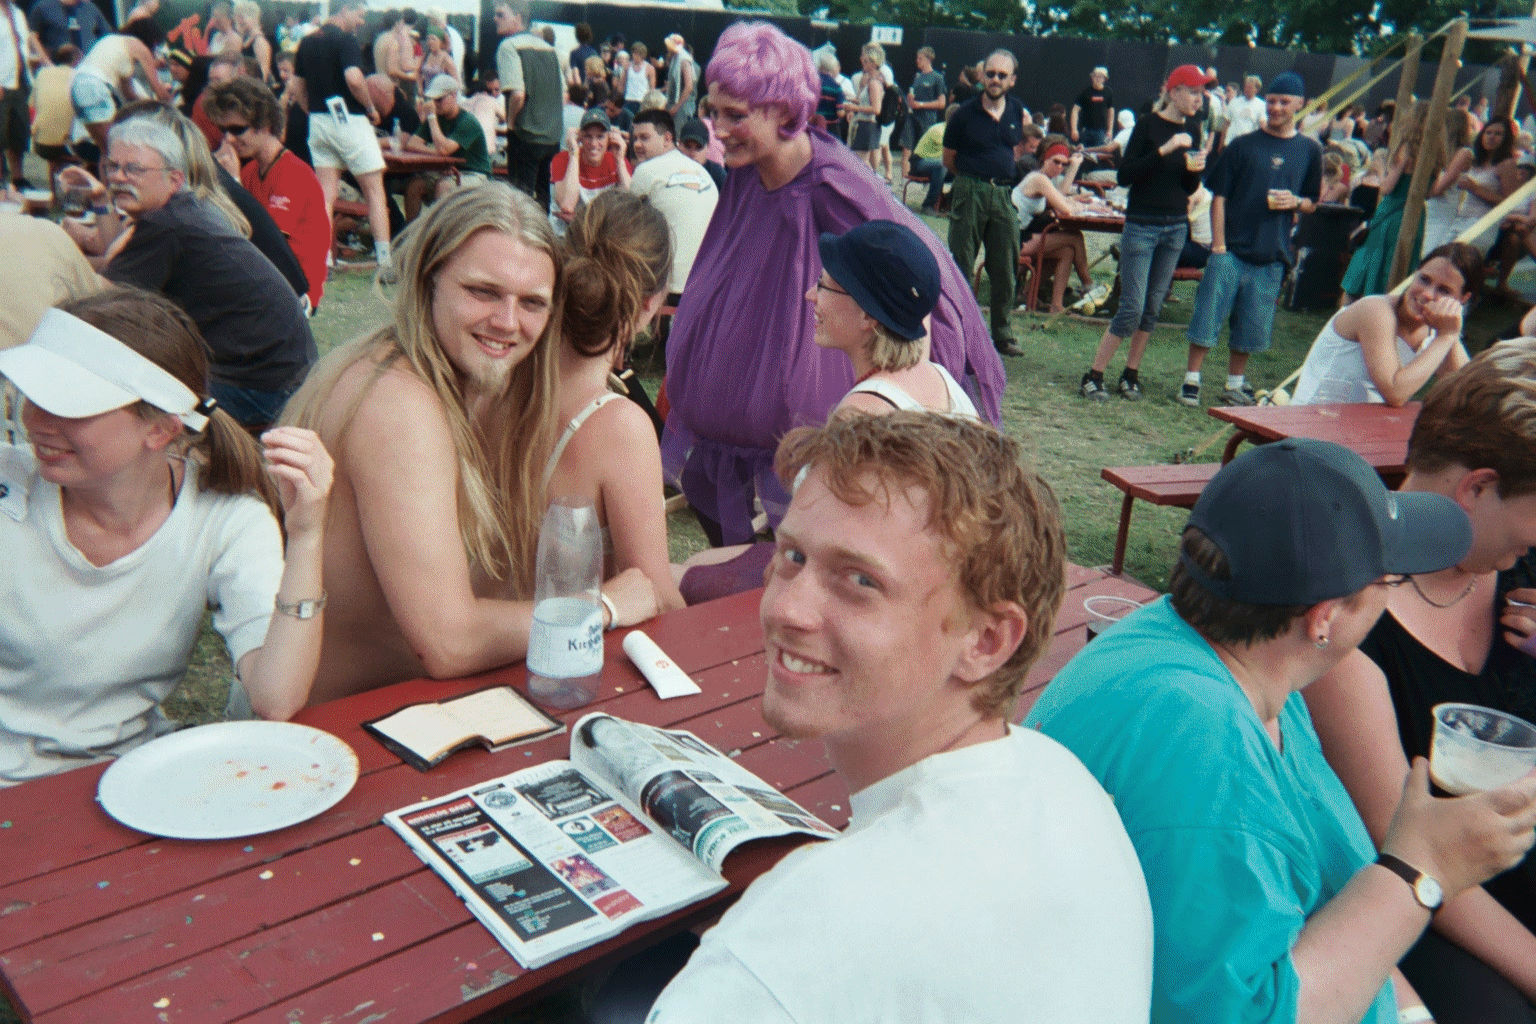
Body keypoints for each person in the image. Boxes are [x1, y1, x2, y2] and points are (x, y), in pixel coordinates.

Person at [630, 412, 1155, 1022]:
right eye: (793, 555)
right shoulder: (1064, 781)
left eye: (859, 580)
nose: (787, 608)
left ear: (986, 640)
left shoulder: (792, 944)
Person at [1028, 435, 1536, 1023]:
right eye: (1391, 581)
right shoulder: (1199, 742)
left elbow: (1328, 891)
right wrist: (1422, 869)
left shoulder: (1249, 670)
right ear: (1325, 617)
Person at [281, 185, 660, 701]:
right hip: (335, 735)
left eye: (532, 303)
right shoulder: (399, 406)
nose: (507, 322)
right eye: (482, 291)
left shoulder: (435, 376)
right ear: (430, 278)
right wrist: (605, 605)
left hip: (384, 715)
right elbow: (449, 642)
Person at [660, 22, 1002, 548]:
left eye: (735, 115)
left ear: (782, 111)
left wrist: (910, 389)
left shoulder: (836, 185)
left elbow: (914, 286)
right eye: (714, 112)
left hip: (827, 386)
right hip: (754, 392)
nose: (718, 128)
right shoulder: (748, 174)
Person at [0, 287, 334, 785]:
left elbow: (276, 695)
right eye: (34, 397)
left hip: (118, 780)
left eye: (69, 408)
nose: (35, 423)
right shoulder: (13, 485)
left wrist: (306, 536)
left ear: (159, 430)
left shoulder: (224, 518)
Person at [1306, 338, 1536, 1024]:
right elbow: (1405, 849)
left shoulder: (1519, 568)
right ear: (1477, 487)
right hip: (1432, 897)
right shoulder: (1349, 613)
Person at [675, 218, 979, 605]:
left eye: (823, 286)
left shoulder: (859, 417)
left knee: (678, 576)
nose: (808, 296)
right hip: (924, 584)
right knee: (703, 560)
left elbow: (804, 553)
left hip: (857, 597)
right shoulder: (939, 378)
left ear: (868, 316)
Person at [63, 116, 316, 429]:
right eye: (112, 166)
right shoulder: (184, 208)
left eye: (135, 169)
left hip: (263, 389)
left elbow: (98, 303)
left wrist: (51, 253)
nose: (119, 177)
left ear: (174, 179)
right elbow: (116, 258)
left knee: (120, 403)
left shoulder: (166, 225)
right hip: (283, 375)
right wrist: (102, 201)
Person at [548, 191, 685, 612]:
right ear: (652, 301)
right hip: (560, 654)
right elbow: (654, 595)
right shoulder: (618, 425)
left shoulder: (504, 378)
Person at [1180, 71, 1323, 407]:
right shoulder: (1242, 145)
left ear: (1300, 105)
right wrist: (1218, 246)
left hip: (1271, 253)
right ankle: (1191, 380)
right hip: (1231, 248)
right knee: (1207, 317)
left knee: (1251, 324)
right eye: (1271, 101)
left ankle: (1234, 384)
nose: (1275, 108)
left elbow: (1312, 201)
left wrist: (1296, 203)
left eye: (1283, 102)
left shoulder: (1309, 151)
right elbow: (1219, 197)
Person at [1079, 65, 1207, 402]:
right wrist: (1165, 149)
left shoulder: (1194, 129)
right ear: (1174, 90)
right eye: (1193, 91)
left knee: (1151, 308)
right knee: (1131, 307)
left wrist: (1196, 168)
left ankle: (1130, 375)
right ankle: (1093, 375)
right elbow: (1125, 175)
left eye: (1201, 93)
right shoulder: (1148, 126)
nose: (1199, 98)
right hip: (1143, 224)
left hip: (1176, 226)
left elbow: (1188, 184)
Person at [1291, 243, 1474, 407]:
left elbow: (1471, 396)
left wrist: (1451, 334)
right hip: (1309, 424)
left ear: (1463, 299)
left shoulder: (1434, 330)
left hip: (1361, 431)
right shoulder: (1375, 310)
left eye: (1444, 290)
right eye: (1424, 279)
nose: (1427, 293)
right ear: (1415, 273)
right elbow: (1395, 392)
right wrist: (1447, 336)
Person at [205, 77, 329, 313]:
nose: (229, 139)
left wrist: (233, 183)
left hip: (295, 290)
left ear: (265, 124)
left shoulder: (292, 173)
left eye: (237, 129)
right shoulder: (252, 170)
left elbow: (267, 242)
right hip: (265, 278)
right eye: (224, 131)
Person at [293, 0, 392, 270]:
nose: (361, 22)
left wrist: (312, 111)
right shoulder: (346, 41)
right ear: (345, 9)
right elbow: (355, 79)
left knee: (325, 196)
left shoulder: (307, 41)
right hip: (350, 120)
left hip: (319, 121)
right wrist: (371, 107)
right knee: (374, 191)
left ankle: (324, 259)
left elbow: (296, 84)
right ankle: (385, 261)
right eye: (360, 15)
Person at [943, 48, 1027, 357]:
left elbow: (1013, 149)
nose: (995, 79)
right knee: (962, 262)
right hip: (970, 191)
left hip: (1003, 196)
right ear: (982, 76)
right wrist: (972, 181)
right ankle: (961, 332)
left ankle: (1002, 333)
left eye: (1002, 75)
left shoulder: (1017, 110)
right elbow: (948, 158)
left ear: (1012, 80)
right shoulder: (963, 113)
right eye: (990, 73)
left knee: (1005, 266)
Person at [628, 109, 717, 305]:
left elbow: (627, 227)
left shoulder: (646, 171)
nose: (637, 145)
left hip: (666, 286)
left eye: (644, 138)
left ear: (667, 138)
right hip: (706, 282)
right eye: (635, 138)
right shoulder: (702, 173)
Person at [1342, 107, 1430, 301]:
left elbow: (1386, 189)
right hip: (1415, 214)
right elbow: (1431, 192)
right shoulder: (1434, 153)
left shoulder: (1406, 148)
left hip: (1392, 212)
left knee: (1366, 266)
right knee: (1398, 265)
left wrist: (1381, 171)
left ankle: (1354, 314)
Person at [1011, 136, 1098, 313]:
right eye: (1056, 162)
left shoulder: (1042, 179)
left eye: (1063, 164)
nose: (1059, 167)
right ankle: (1089, 286)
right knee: (1074, 237)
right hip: (1013, 238)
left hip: (1021, 234)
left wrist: (1075, 198)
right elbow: (1065, 208)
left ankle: (1052, 304)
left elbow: (1058, 198)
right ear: (1044, 158)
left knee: (1066, 251)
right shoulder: (1039, 179)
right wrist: (1077, 202)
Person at [494, 0, 562, 210]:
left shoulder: (508, 46)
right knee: (542, 200)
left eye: (500, 14)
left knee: (518, 203)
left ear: (518, 17)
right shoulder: (549, 49)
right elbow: (564, 93)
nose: (494, 19)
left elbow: (517, 95)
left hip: (526, 135)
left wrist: (511, 124)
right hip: (552, 138)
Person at [1422, 116, 1519, 256]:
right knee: (1439, 257)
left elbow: (1511, 204)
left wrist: (1476, 189)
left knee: (1458, 261)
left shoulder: (1506, 164)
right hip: (1460, 220)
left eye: (1498, 134)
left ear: (1506, 139)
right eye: (1488, 132)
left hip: (1482, 223)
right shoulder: (1476, 161)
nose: (1491, 137)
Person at [71, 32, 174, 158]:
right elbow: (159, 90)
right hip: (95, 88)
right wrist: (172, 107)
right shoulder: (141, 48)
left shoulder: (114, 44)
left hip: (76, 87)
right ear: (153, 43)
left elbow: (130, 95)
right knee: (113, 152)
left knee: (106, 152)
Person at [404, 73, 492, 220]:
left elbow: (445, 150)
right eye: (432, 100)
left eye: (439, 99)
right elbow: (412, 143)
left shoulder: (467, 121)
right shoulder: (438, 118)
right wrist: (436, 153)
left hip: (473, 174)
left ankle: (441, 235)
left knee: (443, 187)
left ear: (454, 96)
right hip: (446, 171)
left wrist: (431, 117)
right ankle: (411, 235)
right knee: (414, 187)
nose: (435, 104)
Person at [550, 106, 631, 234]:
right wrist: (574, 153)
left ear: (609, 139)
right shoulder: (563, 159)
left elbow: (632, 205)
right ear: (580, 137)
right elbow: (567, 205)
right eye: (588, 136)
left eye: (600, 137)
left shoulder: (618, 161)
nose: (594, 144)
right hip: (566, 234)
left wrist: (620, 160)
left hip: (600, 235)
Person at [898, 47, 943, 169]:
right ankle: (903, 181)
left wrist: (921, 104)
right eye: (917, 58)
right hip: (912, 116)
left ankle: (926, 178)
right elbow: (913, 98)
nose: (917, 61)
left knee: (925, 150)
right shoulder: (917, 77)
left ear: (929, 59)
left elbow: (941, 103)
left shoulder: (937, 78)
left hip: (927, 118)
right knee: (906, 147)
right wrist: (909, 99)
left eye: (920, 58)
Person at [907, 103, 952, 214]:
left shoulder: (952, 131)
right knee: (942, 164)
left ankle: (948, 203)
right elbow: (949, 155)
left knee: (964, 170)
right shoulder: (940, 131)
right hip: (919, 163)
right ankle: (928, 205)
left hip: (933, 162)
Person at [29, 0, 109, 56]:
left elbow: (108, 36)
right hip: (59, 71)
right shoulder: (44, 6)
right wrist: (48, 64)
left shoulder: (90, 8)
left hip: (88, 72)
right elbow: (32, 37)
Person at [677, 117, 726, 190]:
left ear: (708, 147)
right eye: (688, 146)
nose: (693, 153)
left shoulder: (717, 174)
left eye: (699, 147)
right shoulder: (670, 169)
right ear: (679, 144)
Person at [1070, 65, 1114, 148]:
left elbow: (1111, 112)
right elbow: (1075, 110)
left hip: (1101, 131)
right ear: (1092, 77)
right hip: (1085, 130)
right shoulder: (1085, 92)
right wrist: (1074, 129)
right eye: (1095, 76)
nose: (1097, 78)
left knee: (1098, 154)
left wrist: (1110, 130)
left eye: (1100, 76)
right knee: (1082, 152)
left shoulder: (1108, 92)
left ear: (1105, 79)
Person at [231, 0, 270, 84]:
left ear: (254, 18)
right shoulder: (246, 39)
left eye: (242, 16)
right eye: (236, 17)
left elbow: (263, 74)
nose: (238, 21)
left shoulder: (259, 41)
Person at [1223, 74, 1265, 146]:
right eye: (1246, 86)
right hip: (1230, 143)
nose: (1247, 89)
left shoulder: (1262, 105)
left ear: (1256, 89)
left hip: (1248, 146)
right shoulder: (1234, 102)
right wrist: (1221, 144)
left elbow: (1263, 127)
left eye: (1250, 87)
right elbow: (1226, 124)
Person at [662, 33, 695, 125]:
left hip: (681, 107)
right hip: (672, 104)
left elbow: (689, 87)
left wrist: (676, 107)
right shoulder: (674, 59)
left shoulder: (684, 60)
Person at [620, 41, 652, 116]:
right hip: (628, 100)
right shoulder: (627, 66)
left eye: (636, 54)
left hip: (642, 101)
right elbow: (622, 84)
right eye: (633, 53)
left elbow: (652, 88)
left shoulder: (649, 68)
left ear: (642, 55)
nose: (634, 56)